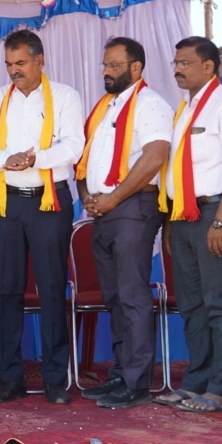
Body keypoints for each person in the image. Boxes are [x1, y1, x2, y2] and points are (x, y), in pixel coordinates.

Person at [0, 29, 86, 404]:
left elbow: (73, 146)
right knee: (7, 290)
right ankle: (10, 378)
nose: (14, 71)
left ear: (40, 61)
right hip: (7, 203)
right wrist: (5, 160)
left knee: (52, 288)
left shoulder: (66, 96)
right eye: (9, 64)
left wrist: (35, 159)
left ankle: (55, 378)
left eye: (20, 63)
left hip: (48, 201)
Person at [76, 37, 174, 410]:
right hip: (106, 209)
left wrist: (113, 198)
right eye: (104, 64)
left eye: (114, 65)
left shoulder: (150, 104)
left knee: (132, 295)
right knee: (114, 297)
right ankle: (121, 374)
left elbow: (155, 156)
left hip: (133, 207)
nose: (106, 71)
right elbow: (88, 160)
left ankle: (137, 383)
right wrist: (89, 195)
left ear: (136, 68)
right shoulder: (106, 107)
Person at [159, 38, 222, 413]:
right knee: (192, 305)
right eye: (176, 62)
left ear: (209, 66)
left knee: (219, 302)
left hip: (216, 213)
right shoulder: (186, 108)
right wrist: (172, 220)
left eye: (185, 63)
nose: (177, 69)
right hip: (185, 215)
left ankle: (221, 390)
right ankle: (196, 382)